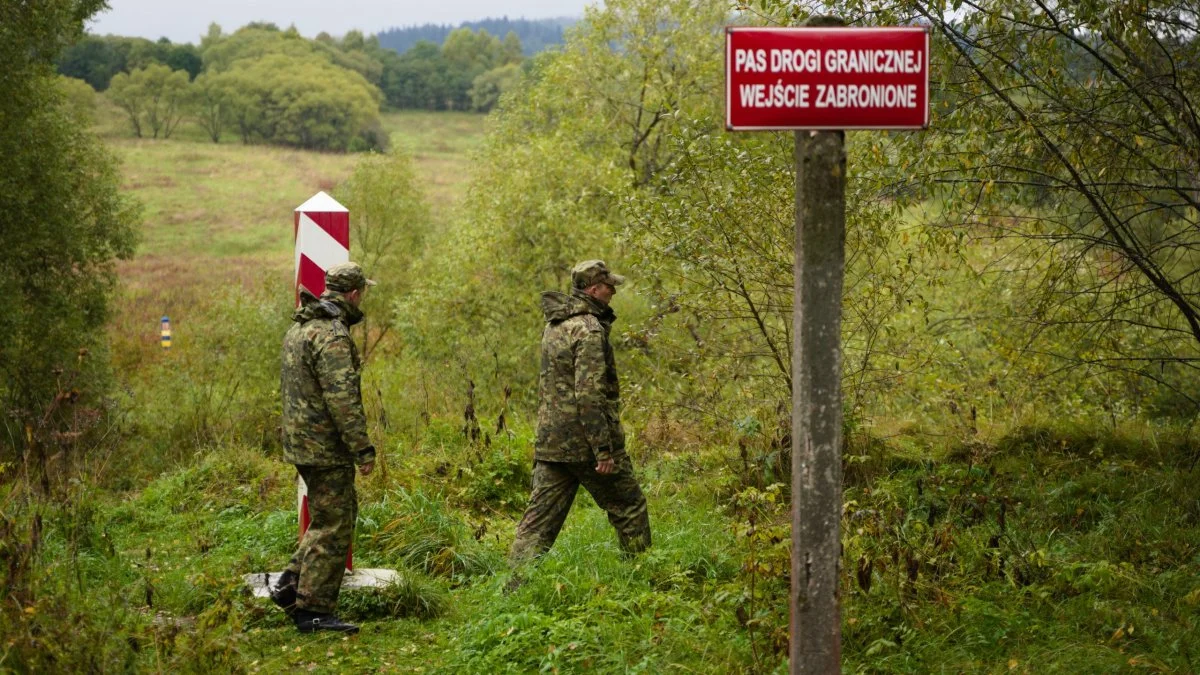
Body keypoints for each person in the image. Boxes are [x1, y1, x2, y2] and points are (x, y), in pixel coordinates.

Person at [509, 260, 651, 564]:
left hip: (551, 442)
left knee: (537, 525)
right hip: (584, 444)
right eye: (609, 285)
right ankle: (641, 576)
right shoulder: (589, 330)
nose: (613, 291)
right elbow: (588, 394)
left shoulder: (555, 325)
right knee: (630, 506)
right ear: (593, 289)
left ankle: (512, 588)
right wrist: (603, 449)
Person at [270, 262, 377, 634]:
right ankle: (313, 610)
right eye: (363, 292)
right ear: (354, 294)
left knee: (328, 516)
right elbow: (343, 400)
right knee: (335, 522)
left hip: (300, 442)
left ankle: (290, 584)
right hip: (324, 447)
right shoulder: (332, 337)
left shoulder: (299, 328)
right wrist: (362, 449)